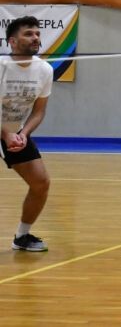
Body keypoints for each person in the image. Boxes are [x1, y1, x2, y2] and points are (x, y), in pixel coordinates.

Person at [1, 16, 54, 253]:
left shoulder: (44, 70)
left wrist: (23, 133)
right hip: (5, 132)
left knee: (40, 183)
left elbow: (39, 111)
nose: (35, 38)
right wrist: (5, 134)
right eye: (28, 34)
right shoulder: (1, 66)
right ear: (12, 41)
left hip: (14, 132)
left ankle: (22, 237)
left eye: (37, 34)